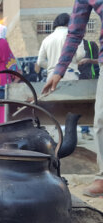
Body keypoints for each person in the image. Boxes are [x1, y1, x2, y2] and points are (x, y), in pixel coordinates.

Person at [42, 0, 103, 197]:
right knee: (101, 120)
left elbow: (40, 62)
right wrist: (59, 70)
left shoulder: (46, 40)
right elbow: (76, 33)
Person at [37, 13, 85, 81]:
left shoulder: (46, 39)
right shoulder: (75, 36)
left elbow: (40, 61)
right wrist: (72, 61)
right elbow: (80, 54)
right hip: (69, 74)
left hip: (52, 76)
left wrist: (53, 66)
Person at [78, 39, 100, 140]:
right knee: (81, 107)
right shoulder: (70, 46)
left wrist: (88, 60)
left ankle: (87, 131)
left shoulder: (91, 45)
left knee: (93, 106)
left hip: (91, 79)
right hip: (76, 80)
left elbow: (99, 60)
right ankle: (84, 131)